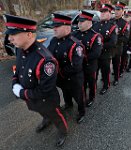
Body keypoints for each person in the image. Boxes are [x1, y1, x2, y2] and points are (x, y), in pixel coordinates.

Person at [5, 14, 68, 147]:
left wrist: (21, 93)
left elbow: (45, 90)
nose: (10, 38)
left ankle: (63, 131)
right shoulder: (20, 50)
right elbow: (18, 71)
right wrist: (14, 83)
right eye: (9, 34)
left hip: (47, 100)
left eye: (14, 34)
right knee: (41, 112)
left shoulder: (45, 60)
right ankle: (46, 119)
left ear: (29, 35)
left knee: (56, 116)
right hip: (33, 99)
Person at [48, 13, 85, 124]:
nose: (54, 29)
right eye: (54, 26)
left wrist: (58, 72)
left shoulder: (75, 44)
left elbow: (76, 66)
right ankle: (68, 104)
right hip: (61, 78)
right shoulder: (54, 40)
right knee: (65, 92)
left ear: (67, 27)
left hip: (73, 78)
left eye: (57, 26)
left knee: (78, 96)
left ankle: (81, 111)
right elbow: (49, 56)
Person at [73, 10, 103, 106]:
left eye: (82, 21)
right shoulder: (74, 34)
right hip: (79, 67)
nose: (79, 24)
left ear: (89, 22)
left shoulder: (95, 36)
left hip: (90, 66)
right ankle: (83, 98)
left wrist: (80, 57)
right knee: (81, 84)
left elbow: (96, 53)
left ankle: (92, 97)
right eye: (79, 21)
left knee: (91, 83)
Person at [93, 3, 118, 95]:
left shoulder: (112, 26)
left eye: (105, 12)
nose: (102, 13)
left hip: (105, 54)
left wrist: (100, 46)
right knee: (94, 71)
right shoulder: (95, 24)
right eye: (101, 12)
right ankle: (93, 86)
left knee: (105, 71)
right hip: (96, 54)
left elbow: (113, 42)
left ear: (110, 13)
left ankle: (106, 85)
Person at [112, 1, 129, 86]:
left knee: (116, 64)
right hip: (109, 48)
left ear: (122, 11)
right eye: (115, 9)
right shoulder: (111, 20)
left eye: (118, 10)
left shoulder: (125, 23)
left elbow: (125, 38)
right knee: (106, 65)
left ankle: (116, 78)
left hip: (117, 48)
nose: (116, 11)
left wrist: (114, 39)